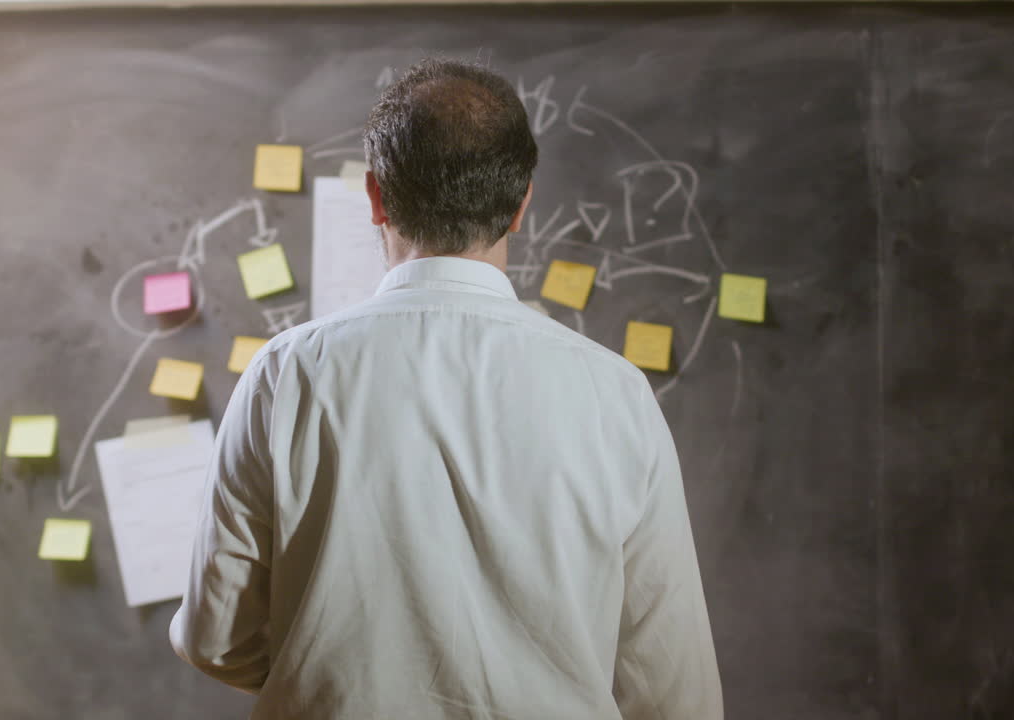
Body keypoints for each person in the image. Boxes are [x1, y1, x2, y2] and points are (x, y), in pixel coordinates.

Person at [170, 58, 723, 719]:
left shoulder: (285, 375)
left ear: (374, 198)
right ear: (521, 207)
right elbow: (673, 687)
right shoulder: (616, 395)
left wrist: (327, 679)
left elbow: (216, 637)